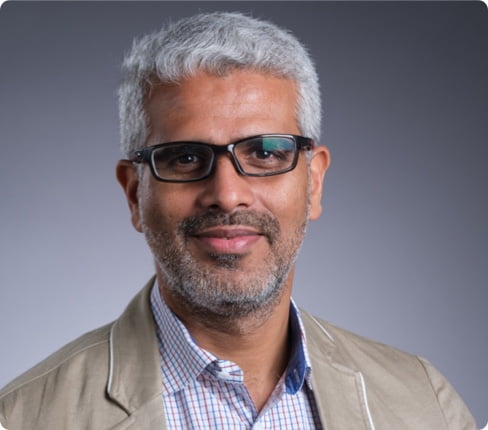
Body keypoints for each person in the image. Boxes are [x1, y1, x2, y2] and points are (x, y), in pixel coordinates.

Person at [0, 11, 477, 430]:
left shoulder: (425, 404)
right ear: (133, 193)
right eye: (185, 157)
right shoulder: (23, 417)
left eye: (266, 152)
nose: (227, 194)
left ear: (313, 183)